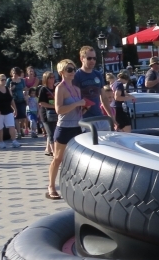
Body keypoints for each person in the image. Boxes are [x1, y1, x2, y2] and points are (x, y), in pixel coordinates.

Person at [47, 59, 87, 200]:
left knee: (74, 160)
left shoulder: (76, 88)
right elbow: (59, 110)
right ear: (61, 72)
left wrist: (84, 106)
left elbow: (77, 107)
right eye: (69, 70)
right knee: (58, 158)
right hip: (64, 127)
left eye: (73, 69)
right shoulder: (60, 88)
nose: (72, 72)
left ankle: (72, 185)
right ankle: (51, 186)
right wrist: (77, 103)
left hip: (77, 126)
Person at [75, 45, 113, 119]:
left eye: (94, 58)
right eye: (89, 58)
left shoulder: (98, 74)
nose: (92, 60)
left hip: (98, 115)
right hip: (83, 118)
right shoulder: (76, 75)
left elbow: (104, 98)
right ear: (82, 58)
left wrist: (111, 117)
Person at [0, 73, 21, 149]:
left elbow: (11, 100)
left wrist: (15, 109)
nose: (4, 81)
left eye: (5, 79)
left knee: (12, 126)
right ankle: (1, 142)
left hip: (8, 110)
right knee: (0, 127)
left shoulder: (7, 89)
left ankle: (14, 141)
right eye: (2, 80)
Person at [38, 71, 57, 155]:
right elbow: (41, 103)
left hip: (56, 113)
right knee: (51, 133)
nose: (52, 79)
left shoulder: (56, 88)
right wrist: (54, 106)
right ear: (46, 79)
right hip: (46, 114)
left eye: (53, 77)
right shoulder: (43, 89)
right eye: (50, 78)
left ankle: (48, 149)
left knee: (55, 132)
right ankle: (54, 152)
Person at [10, 67, 28, 137]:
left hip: (21, 99)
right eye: (14, 73)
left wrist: (26, 96)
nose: (15, 75)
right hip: (14, 100)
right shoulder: (10, 80)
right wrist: (11, 88)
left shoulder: (22, 80)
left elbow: (24, 88)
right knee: (16, 116)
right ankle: (19, 133)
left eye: (16, 73)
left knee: (23, 116)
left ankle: (20, 128)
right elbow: (7, 89)